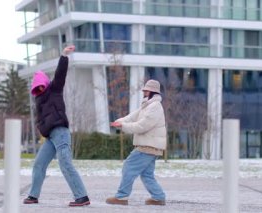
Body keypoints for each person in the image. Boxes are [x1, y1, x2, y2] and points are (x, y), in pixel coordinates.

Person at [23, 45, 90, 207]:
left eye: (41, 85)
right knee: (39, 164)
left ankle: (82, 196)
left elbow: (60, 74)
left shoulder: (54, 90)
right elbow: (40, 121)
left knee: (65, 163)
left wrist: (64, 56)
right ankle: (33, 195)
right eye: (36, 87)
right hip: (50, 137)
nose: (39, 89)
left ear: (45, 83)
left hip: (60, 132)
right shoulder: (38, 101)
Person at [106, 79, 167, 206]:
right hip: (150, 146)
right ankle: (158, 197)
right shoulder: (148, 105)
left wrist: (123, 127)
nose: (144, 91)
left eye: (146, 90)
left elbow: (142, 126)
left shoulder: (155, 107)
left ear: (153, 92)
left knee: (128, 166)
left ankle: (121, 197)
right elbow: (132, 117)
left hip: (148, 146)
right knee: (146, 174)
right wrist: (119, 122)